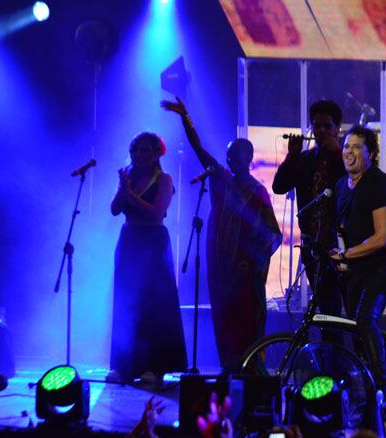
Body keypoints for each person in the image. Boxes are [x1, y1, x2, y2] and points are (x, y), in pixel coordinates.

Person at [162, 98, 282, 372]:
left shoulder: (258, 192)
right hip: (220, 262)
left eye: (235, 155)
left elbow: (268, 233)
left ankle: (250, 367)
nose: (230, 159)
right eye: (228, 155)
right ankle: (228, 367)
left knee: (245, 318)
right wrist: (185, 117)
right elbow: (198, 148)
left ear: (248, 158)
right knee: (223, 316)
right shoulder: (221, 180)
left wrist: (250, 261)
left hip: (244, 269)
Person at [330, 125, 386, 403]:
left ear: (371, 153)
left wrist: (347, 254)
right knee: (355, 326)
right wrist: (338, 253)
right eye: (346, 146)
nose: (348, 152)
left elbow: (382, 238)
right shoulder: (341, 185)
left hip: (382, 265)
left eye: (355, 147)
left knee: (365, 318)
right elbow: (342, 227)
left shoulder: (378, 183)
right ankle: (368, 383)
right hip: (355, 266)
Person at [107, 132, 187, 384]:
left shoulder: (164, 180)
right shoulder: (128, 178)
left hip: (153, 243)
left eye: (146, 151)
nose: (141, 155)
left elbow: (156, 213)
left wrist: (131, 194)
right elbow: (114, 209)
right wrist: (123, 189)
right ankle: (124, 365)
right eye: (137, 150)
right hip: (130, 241)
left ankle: (155, 366)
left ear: (156, 155)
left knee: (154, 305)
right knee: (126, 303)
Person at [273, 100, 345, 320]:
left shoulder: (345, 158)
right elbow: (278, 187)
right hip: (312, 246)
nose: (320, 131)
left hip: (340, 246)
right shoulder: (304, 159)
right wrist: (292, 156)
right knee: (326, 308)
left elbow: (352, 188)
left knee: (339, 308)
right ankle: (328, 350)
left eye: (326, 126)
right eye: (317, 126)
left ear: (337, 129)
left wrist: (338, 154)